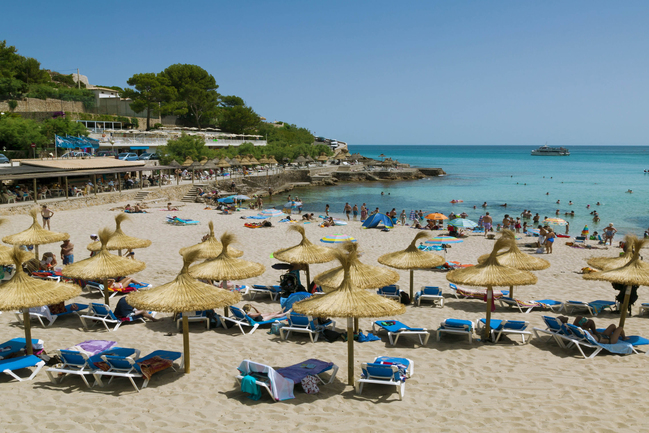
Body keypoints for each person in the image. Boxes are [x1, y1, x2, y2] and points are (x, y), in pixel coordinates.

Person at [558, 316, 625, 343]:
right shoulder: (575, 329)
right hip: (609, 341)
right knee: (620, 328)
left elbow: (581, 319)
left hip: (601, 336)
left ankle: (617, 334)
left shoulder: (571, 328)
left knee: (613, 326)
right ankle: (624, 337)